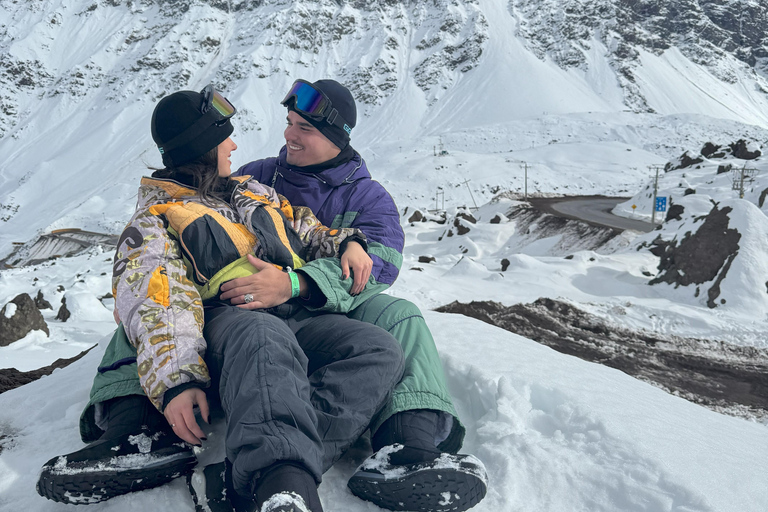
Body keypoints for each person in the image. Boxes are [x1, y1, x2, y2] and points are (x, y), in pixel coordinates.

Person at [39, 79, 488, 512]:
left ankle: (399, 441)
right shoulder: (177, 210)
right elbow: (160, 302)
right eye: (289, 122)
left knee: (382, 343)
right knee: (167, 322)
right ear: (202, 149)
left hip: (301, 306)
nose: (286, 135)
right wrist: (180, 382)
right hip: (234, 320)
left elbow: (325, 238)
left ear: (337, 138)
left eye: (304, 128)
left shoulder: (262, 191)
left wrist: (338, 251)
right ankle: (237, 466)